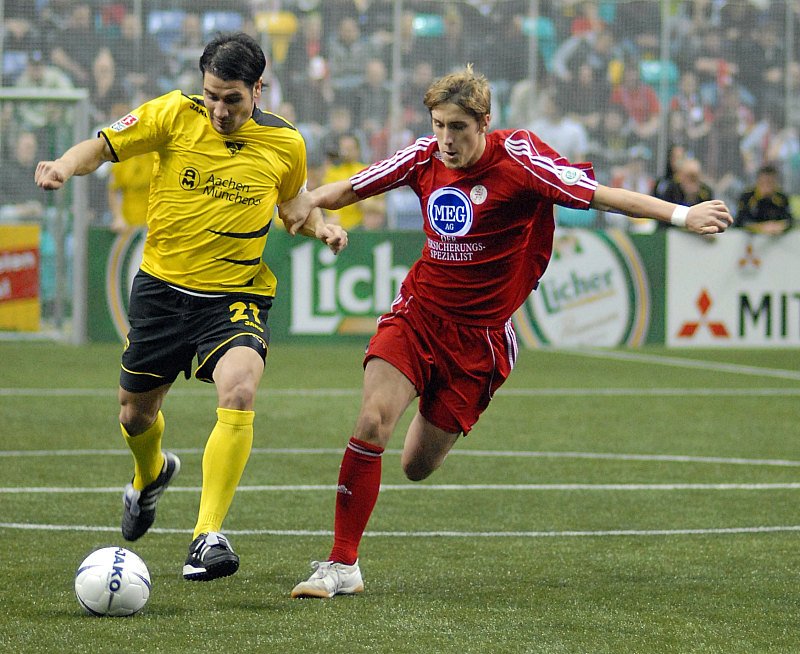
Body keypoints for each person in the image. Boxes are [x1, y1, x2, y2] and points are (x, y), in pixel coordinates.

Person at [279, 64, 732, 599]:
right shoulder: (424, 156)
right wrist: (310, 203)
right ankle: (342, 564)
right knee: (373, 419)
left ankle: (438, 401)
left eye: (458, 127)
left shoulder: (520, 161)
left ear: (484, 123)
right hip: (418, 316)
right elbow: (352, 187)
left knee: (416, 466)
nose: (446, 139)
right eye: (438, 125)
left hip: (480, 340)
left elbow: (602, 195)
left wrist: (682, 216)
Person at [35, 32, 347, 582]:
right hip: (162, 291)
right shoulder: (172, 115)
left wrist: (321, 227)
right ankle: (150, 474)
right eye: (212, 96)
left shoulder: (285, 143)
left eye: (233, 99)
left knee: (240, 389)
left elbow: (294, 207)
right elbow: (101, 147)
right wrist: (63, 164)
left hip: (235, 295)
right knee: (135, 414)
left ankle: (207, 536)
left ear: (258, 89)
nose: (220, 110)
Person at [735, 164, 794, 235]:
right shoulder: (747, 197)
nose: (767, 186)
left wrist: (779, 226)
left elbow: (790, 220)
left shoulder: (781, 197)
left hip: (777, 238)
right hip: (751, 238)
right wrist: (762, 227)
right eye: (763, 182)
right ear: (758, 181)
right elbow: (740, 221)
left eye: (770, 183)